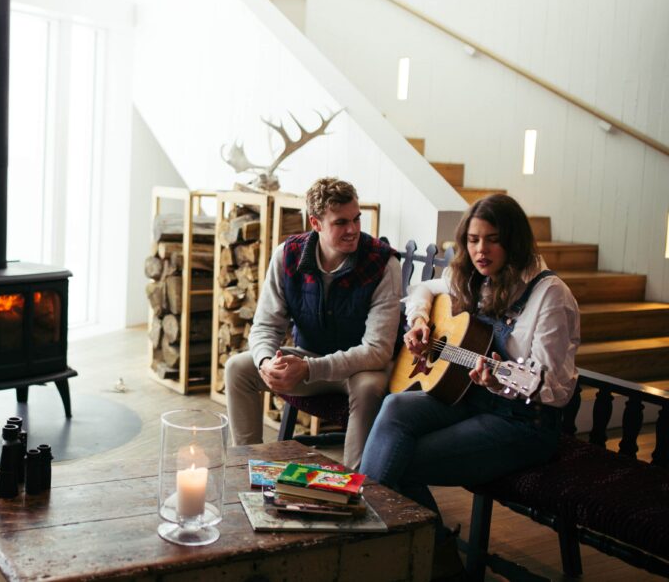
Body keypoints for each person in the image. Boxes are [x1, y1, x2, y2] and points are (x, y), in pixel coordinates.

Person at [360, 193, 579, 578]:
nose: (481, 250)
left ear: (514, 240)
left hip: (524, 422)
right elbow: (424, 289)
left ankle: (422, 561)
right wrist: (420, 323)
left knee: (398, 461)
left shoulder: (550, 296)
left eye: (492, 239)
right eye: (474, 240)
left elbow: (555, 389)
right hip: (470, 395)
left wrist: (499, 380)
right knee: (394, 407)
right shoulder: (478, 278)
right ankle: (406, 556)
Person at [224, 177, 401, 470]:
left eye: (356, 219)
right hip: (311, 364)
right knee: (238, 369)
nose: (353, 229)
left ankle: (359, 486)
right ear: (315, 223)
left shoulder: (383, 265)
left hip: (361, 369)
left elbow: (378, 350)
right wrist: (266, 362)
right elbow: (266, 325)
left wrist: (308, 369)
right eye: (341, 222)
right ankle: (246, 468)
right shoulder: (287, 256)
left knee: (369, 387)